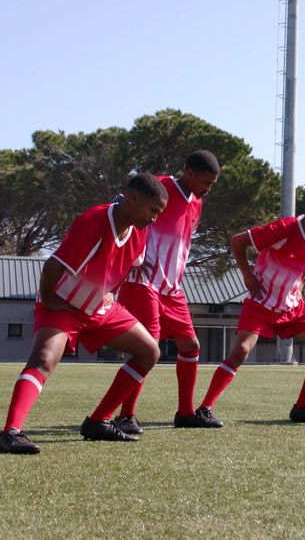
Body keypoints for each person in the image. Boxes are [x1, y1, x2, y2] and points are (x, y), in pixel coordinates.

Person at [0, 174, 169, 454]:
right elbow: (52, 267)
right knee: (44, 359)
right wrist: (50, 303)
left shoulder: (140, 233)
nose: (155, 219)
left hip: (102, 308)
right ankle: (10, 433)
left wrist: (110, 297)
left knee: (150, 352)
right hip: (65, 306)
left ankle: (99, 422)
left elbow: (123, 268)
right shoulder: (93, 221)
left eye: (159, 213)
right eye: (153, 211)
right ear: (133, 198)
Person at [98, 151, 222, 432]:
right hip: (142, 281)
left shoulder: (197, 202)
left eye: (212, 184)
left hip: (172, 287)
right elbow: (120, 208)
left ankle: (186, 413)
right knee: (148, 348)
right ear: (189, 172)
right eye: (206, 181)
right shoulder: (160, 187)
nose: (208, 188)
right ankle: (125, 416)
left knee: (191, 346)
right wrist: (127, 255)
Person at [197, 192, 305, 425]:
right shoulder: (284, 229)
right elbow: (238, 241)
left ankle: (301, 408)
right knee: (240, 351)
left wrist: (300, 286)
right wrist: (247, 275)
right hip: (261, 302)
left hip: (293, 307)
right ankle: (204, 409)